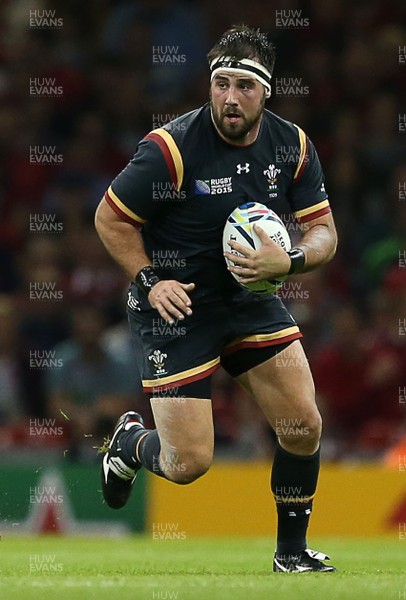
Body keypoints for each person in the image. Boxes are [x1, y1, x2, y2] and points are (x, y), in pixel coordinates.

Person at [95, 25, 337, 573]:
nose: (230, 97)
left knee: (303, 426)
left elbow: (324, 232)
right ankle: (130, 444)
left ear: (266, 91)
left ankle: (291, 555)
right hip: (176, 309)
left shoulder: (292, 145)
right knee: (188, 463)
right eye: (220, 83)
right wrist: (150, 280)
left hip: (250, 300)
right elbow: (110, 217)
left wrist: (291, 261)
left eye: (244, 87)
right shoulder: (171, 149)